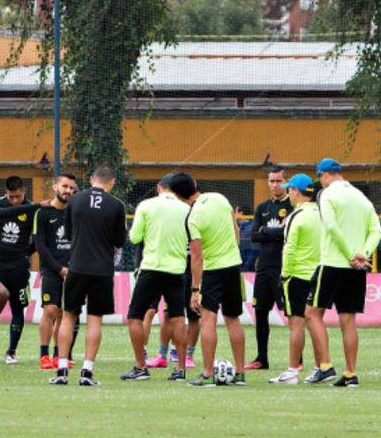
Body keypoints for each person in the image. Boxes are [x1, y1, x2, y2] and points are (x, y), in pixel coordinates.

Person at [304, 158, 381, 388]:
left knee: (312, 313)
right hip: (356, 269)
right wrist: (363, 254)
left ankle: (325, 366)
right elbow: (376, 230)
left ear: (324, 175)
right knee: (348, 321)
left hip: (332, 263)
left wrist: (349, 254)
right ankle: (350, 373)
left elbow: (331, 226)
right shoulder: (361, 196)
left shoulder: (327, 194)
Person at [48, 166, 125, 387]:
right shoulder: (117, 205)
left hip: (77, 267)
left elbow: (68, 234)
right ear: (112, 182)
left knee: (68, 316)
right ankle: (86, 373)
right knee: (95, 319)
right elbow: (119, 241)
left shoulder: (75, 200)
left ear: (92, 180)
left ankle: (62, 370)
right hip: (102, 270)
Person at [167, 173, 246, 387]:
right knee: (233, 319)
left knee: (208, 320)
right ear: (194, 184)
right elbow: (236, 231)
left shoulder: (192, 217)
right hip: (233, 265)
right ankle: (240, 373)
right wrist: (232, 254)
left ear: (177, 196)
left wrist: (195, 289)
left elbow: (197, 256)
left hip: (213, 271)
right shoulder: (220, 198)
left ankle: (208, 373)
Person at [121, 174, 190, 382]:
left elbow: (135, 237)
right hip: (176, 270)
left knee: (135, 316)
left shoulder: (146, 205)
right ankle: (180, 369)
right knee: (178, 318)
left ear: (159, 187)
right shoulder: (186, 209)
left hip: (151, 267)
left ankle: (140, 366)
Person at [269, 174, 322, 385]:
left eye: (290, 189)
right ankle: (321, 367)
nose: (288, 193)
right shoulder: (321, 213)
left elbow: (289, 248)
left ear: (296, 191)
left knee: (296, 324)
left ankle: (292, 371)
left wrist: (285, 274)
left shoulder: (296, 216)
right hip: (318, 274)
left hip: (297, 275)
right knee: (315, 322)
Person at [245, 166, 293, 371]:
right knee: (261, 311)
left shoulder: (292, 206)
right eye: (271, 181)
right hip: (264, 267)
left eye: (278, 181)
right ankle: (261, 359)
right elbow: (253, 235)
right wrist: (274, 231)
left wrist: (265, 230)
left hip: (284, 267)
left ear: (286, 182)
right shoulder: (262, 207)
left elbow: (288, 234)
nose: (274, 185)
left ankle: (297, 361)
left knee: (292, 315)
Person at [33, 173, 79, 369]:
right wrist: (59, 268)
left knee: (64, 314)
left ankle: (59, 355)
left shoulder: (76, 212)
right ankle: (44, 355)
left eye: (71, 188)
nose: (68, 191)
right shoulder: (43, 213)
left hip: (74, 270)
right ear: (55, 187)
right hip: (52, 269)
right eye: (64, 186)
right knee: (50, 310)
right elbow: (40, 246)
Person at [0, 176, 36, 365]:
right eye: (11, 197)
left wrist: (24, 253)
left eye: (18, 196)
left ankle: (11, 352)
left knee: (17, 307)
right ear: (6, 193)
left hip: (19, 266)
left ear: (24, 191)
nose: (15, 200)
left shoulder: (31, 209)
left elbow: (37, 239)